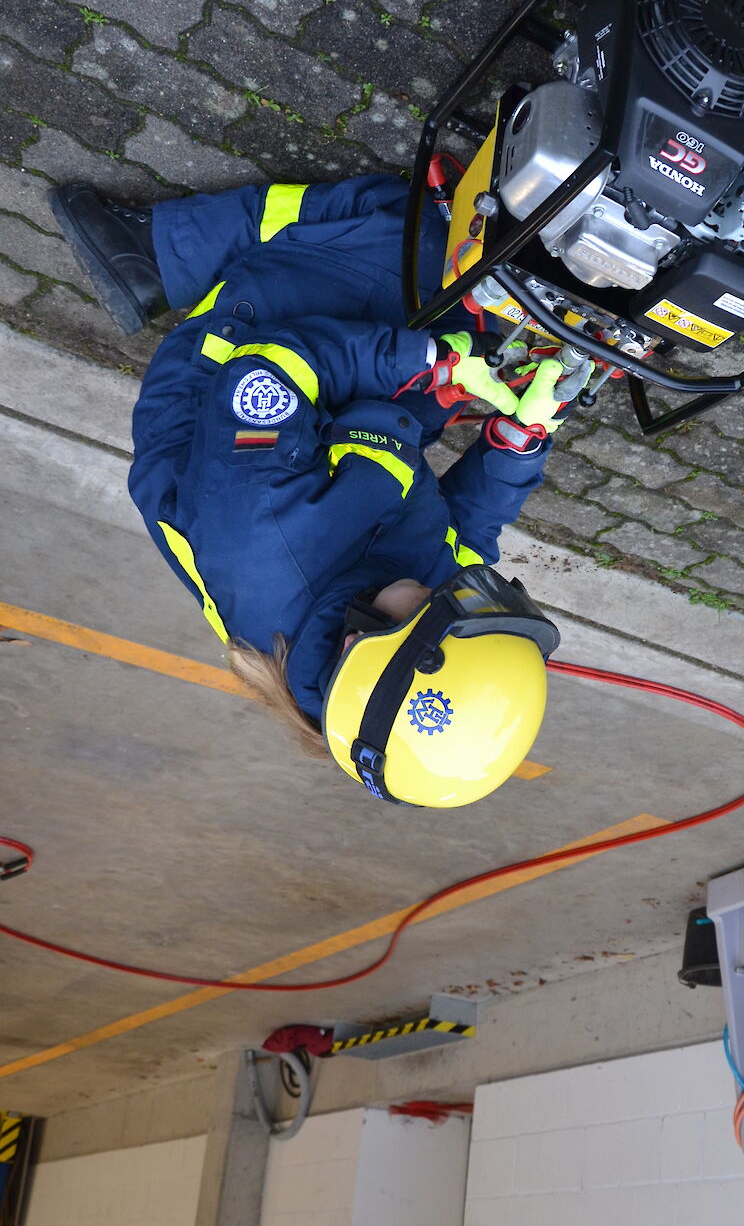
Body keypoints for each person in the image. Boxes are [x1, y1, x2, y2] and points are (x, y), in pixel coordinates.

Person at [50, 176, 577, 808]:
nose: (461, 589)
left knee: (410, 227)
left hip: (230, 387)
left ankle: (153, 252)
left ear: (360, 640)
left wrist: (434, 363)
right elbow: (463, 541)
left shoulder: (260, 533)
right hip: (345, 444)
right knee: (503, 300)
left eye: (450, 605)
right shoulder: (407, 613)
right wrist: (521, 440)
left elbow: (271, 369)